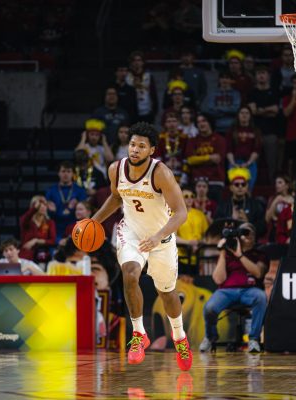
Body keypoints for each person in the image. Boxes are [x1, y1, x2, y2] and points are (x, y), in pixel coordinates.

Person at [91, 122, 193, 371]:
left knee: (166, 293)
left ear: (152, 151)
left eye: (141, 146)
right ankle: (139, 334)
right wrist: (92, 222)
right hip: (131, 233)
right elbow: (116, 198)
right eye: (132, 144)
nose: (135, 149)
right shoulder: (116, 169)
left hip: (162, 238)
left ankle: (180, 338)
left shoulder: (161, 173)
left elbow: (181, 213)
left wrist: (158, 237)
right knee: (130, 274)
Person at [199, 222, 269, 353]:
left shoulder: (260, 254)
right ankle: (210, 337)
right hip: (226, 291)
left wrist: (240, 255)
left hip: (250, 290)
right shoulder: (227, 253)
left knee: (261, 297)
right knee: (209, 307)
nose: (245, 236)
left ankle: (253, 339)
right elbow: (218, 279)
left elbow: (258, 272)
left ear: (254, 237)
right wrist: (222, 252)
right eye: (242, 233)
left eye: (248, 233)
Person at [215, 168, 267, 238]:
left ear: (247, 187)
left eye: (243, 184)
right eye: (236, 184)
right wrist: (231, 220)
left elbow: (263, 229)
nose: (240, 187)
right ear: (231, 187)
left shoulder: (256, 205)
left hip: (250, 242)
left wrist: (247, 222)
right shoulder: (223, 206)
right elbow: (216, 227)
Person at [45, 161, 87, 241]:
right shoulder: (51, 190)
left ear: (73, 174)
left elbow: (85, 211)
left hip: (75, 226)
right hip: (56, 227)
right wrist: (51, 211)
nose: (66, 174)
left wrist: (74, 207)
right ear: (58, 173)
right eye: (63, 171)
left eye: (68, 171)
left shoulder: (80, 190)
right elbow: (46, 213)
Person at [19, 195, 56, 263]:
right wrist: (34, 209)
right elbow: (23, 220)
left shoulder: (50, 222)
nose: (42, 207)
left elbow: (52, 241)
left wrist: (36, 241)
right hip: (27, 256)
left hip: (43, 256)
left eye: (44, 205)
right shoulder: (27, 221)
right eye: (39, 205)